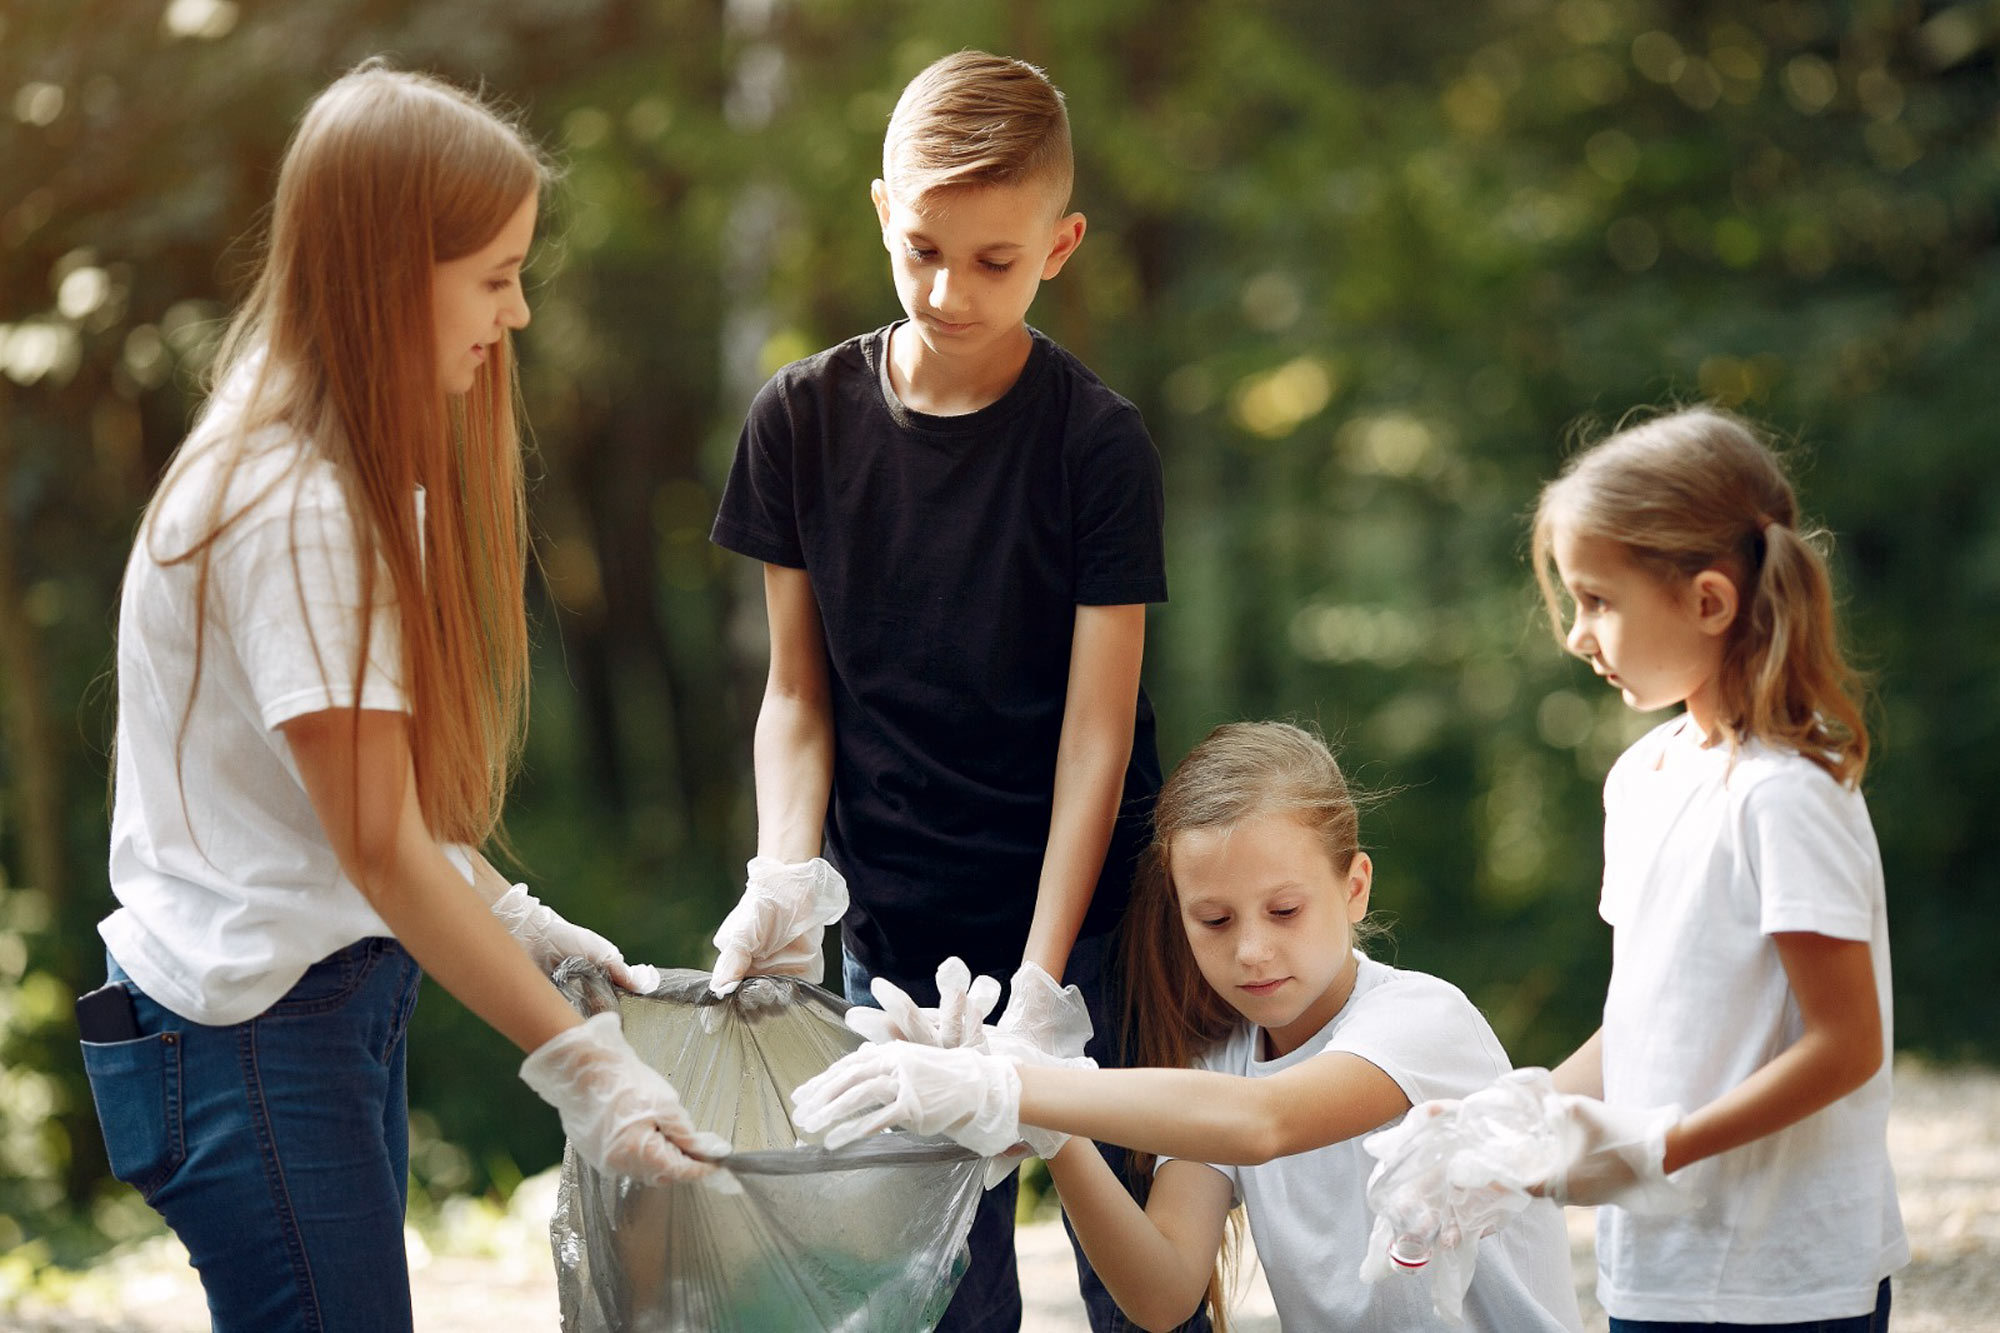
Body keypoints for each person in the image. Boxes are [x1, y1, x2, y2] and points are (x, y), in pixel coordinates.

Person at [78, 63, 724, 1333]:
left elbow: (360, 806)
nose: (519, 314)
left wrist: (518, 915)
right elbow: (377, 846)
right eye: (492, 276)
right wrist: (586, 1070)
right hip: (250, 1041)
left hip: (302, 1018)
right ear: (388, 272)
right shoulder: (299, 508)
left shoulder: (334, 458)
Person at [704, 50, 1174, 1332]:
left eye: (993, 261)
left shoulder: (1094, 444)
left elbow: (1098, 732)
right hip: (895, 942)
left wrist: (1041, 987)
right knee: (926, 1299)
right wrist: (782, 876)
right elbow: (797, 696)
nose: (947, 290)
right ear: (878, 211)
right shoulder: (798, 421)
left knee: (1136, 1286)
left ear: (1060, 245)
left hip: (1087, 938)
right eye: (920, 249)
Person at [792, 721, 1585, 1333]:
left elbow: (1268, 1123)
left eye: (1284, 909)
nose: (1250, 949)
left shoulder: (1421, 1020)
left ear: (1355, 887)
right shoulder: (1217, 1065)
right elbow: (1164, 1292)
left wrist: (1021, 1083)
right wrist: (1049, 1129)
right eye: (1213, 919)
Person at [1389, 406, 1904, 1330]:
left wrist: (1657, 1149)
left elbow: (1846, 1043)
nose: (1578, 634)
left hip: (1786, 1285)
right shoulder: (1643, 777)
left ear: (1708, 601)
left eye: (1599, 599)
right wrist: (1519, 1112)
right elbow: (1648, 1019)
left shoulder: (1787, 796)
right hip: (1656, 1272)